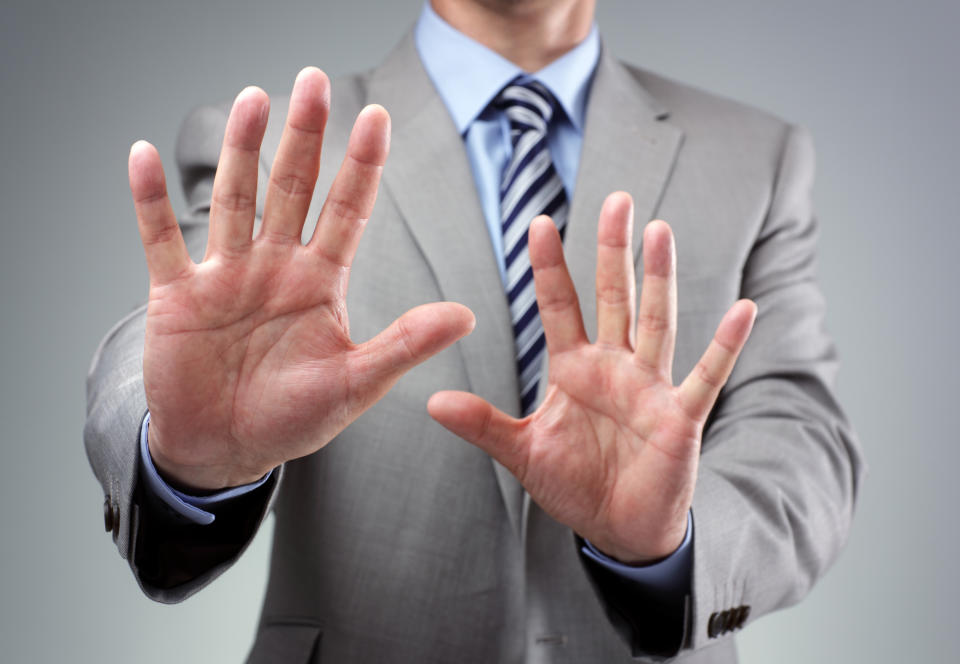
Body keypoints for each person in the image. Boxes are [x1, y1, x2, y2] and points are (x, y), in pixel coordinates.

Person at [84, 0, 864, 661]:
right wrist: (183, 456)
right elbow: (154, 354)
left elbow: (800, 441)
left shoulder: (756, 158)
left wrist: (671, 542)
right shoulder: (274, 146)